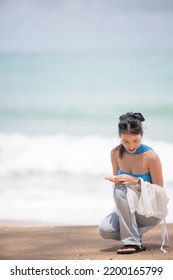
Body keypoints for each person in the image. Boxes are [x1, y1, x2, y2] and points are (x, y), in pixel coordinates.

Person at [99, 112, 167, 254]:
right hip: (127, 208)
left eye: (135, 141)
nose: (131, 146)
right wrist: (116, 181)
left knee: (121, 189)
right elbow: (118, 186)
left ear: (141, 135)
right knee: (105, 230)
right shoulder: (115, 153)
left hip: (149, 210)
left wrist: (135, 181)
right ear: (120, 137)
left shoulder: (150, 156)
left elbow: (160, 191)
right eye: (126, 141)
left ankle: (133, 242)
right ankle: (133, 234)